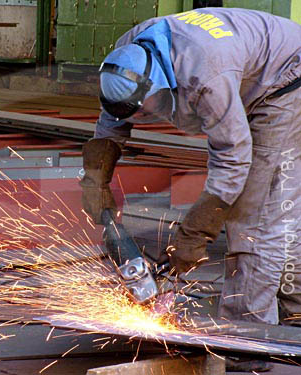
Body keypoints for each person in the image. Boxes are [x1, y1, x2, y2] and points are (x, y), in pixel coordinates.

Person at [80, 7, 301, 372]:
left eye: (142, 110)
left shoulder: (206, 76)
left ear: (158, 83)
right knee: (279, 206)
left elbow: (233, 160)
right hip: (245, 69)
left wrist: (196, 230)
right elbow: (112, 119)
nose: (139, 119)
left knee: (254, 215)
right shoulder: (126, 59)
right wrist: (96, 178)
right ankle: (295, 305)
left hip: (286, 78)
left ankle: (245, 349)